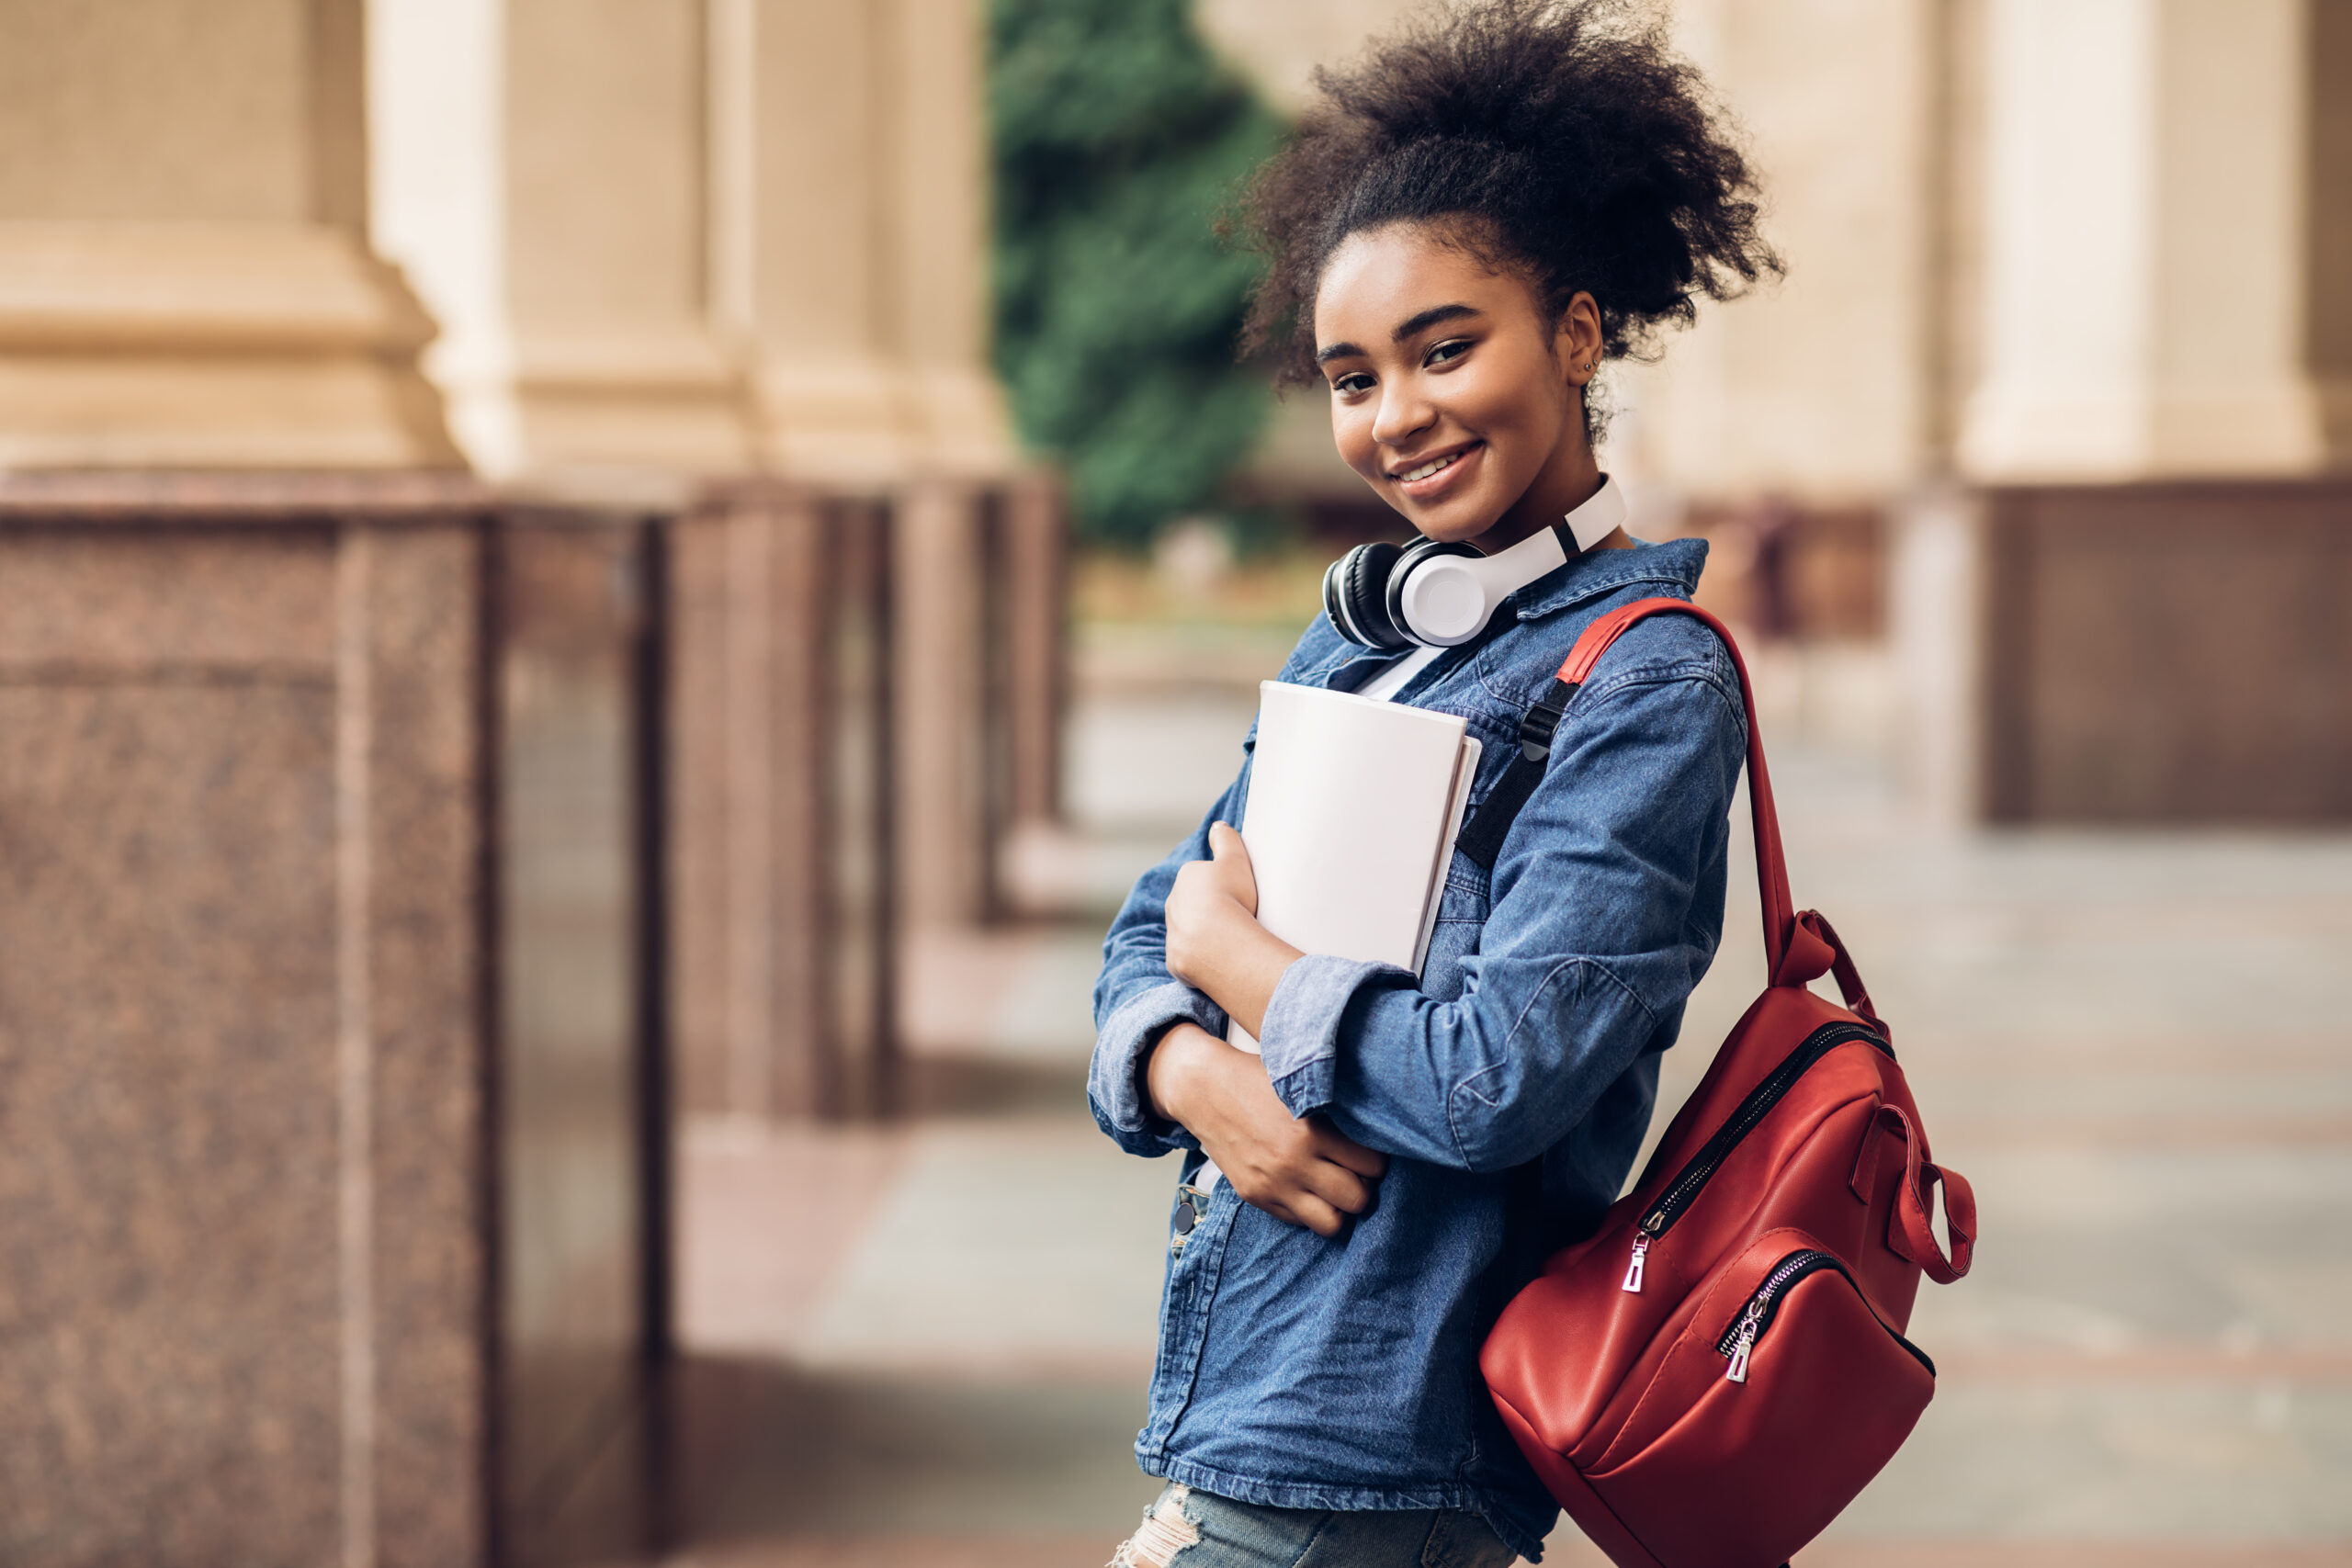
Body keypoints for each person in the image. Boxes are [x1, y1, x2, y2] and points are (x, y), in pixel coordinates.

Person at [1089, 3, 1781, 1562]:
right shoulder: (1372, 635)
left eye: (1445, 347)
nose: (1396, 416)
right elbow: (1152, 930)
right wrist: (1192, 1079)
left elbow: (1498, 1076)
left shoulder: (1645, 680)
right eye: (1351, 375)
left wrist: (1246, 973)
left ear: (1581, 336)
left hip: (1380, 1451)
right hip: (1255, 1399)